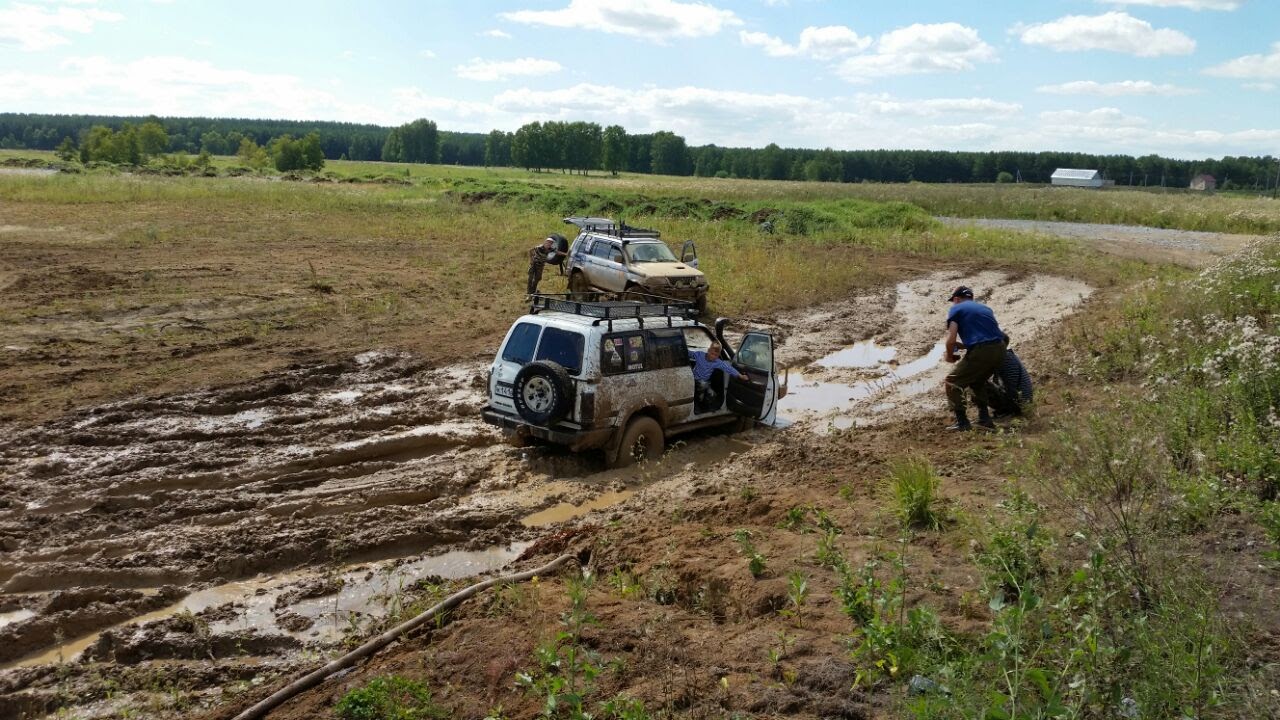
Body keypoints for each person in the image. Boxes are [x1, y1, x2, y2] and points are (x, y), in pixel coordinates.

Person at [942, 286, 1007, 431]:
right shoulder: (984, 308)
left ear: (956, 299)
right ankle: (985, 419)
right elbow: (992, 336)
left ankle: (962, 423)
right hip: (1000, 348)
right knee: (977, 381)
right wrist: (965, 346)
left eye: (953, 301)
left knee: (952, 382)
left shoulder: (956, 309)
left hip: (982, 351)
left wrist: (950, 356)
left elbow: (950, 340)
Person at [689, 342, 744, 409]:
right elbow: (689, 353)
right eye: (712, 353)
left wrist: (740, 375)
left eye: (716, 355)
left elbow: (728, 368)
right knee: (701, 393)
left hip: (706, 382)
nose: (713, 357)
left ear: (718, 355)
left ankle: (705, 406)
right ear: (708, 350)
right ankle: (697, 405)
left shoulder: (717, 362)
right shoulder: (699, 355)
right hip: (694, 380)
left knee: (712, 395)